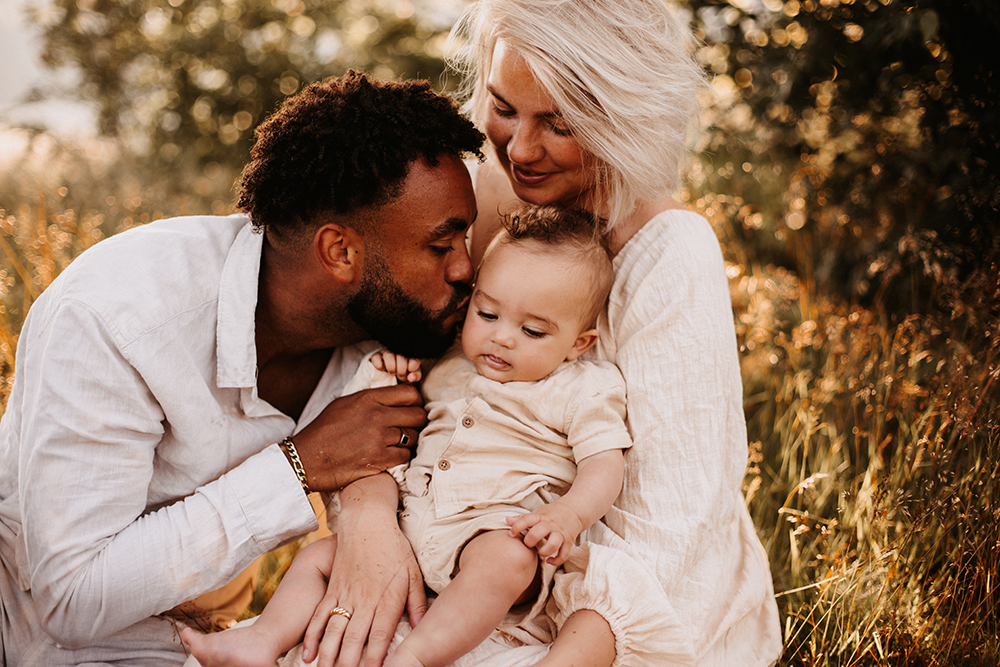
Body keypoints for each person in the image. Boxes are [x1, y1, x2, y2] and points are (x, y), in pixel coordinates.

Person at [0, 70, 486, 667]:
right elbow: (72, 599)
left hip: (201, 640)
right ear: (339, 251)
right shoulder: (120, 317)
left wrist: (369, 513)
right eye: (441, 246)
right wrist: (299, 465)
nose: (466, 270)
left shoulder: (402, 337)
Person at [444, 0, 785, 664]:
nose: (521, 149)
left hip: (610, 621)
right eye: (504, 108)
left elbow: (671, 528)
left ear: (624, 118)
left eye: (560, 124)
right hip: (464, 577)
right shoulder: (479, 198)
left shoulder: (669, 254)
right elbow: (386, 392)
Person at [182, 205, 632, 667]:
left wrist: (569, 515)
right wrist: (393, 369)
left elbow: (604, 461)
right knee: (321, 557)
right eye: (487, 313)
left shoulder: (582, 387)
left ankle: (414, 657)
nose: (502, 337)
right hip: (408, 530)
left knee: (507, 561)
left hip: (494, 528)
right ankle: (261, 640)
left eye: (532, 330)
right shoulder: (448, 362)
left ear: (579, 344)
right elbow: (387, 407)